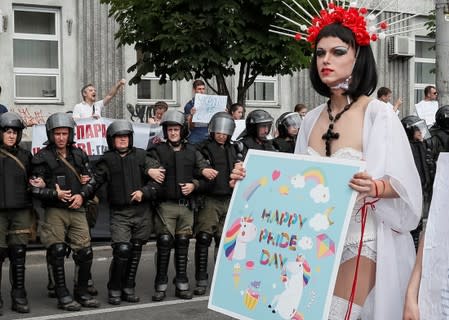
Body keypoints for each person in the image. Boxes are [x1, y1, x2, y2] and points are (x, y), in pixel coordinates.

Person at [232, 5, 421, 319]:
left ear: (358, 56)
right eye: (320, 53)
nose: (326, 60)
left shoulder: (379, 115)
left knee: (335, 313)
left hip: (364, 237)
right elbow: (294, 185)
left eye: (337, 51)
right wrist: (250, 180)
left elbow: (407, 187)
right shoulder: (311, 120)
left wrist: (374, 186)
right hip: (314, 240)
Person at [81, 120, 160, 305]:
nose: (123, 140)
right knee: (122, 249)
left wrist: (145, 192)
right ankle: (114, 287)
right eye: (118, 137)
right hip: (120, 213)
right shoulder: (107, 160)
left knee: (136, 249)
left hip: (142, 212)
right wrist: (81, 193)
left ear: (131, 138)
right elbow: (94, 182)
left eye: (125, 136)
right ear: (111, 140)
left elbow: (159, 179)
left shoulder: (143, 156)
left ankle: (128, 287)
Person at [30, 113, 100, 311]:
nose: (61, 137)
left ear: (70, 134)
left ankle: (82, 291)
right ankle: (62, 294)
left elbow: (93, 180)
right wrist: (54, 193)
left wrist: (82, 196)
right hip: (54, 210)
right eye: (57, 133)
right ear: (51, 134)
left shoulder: (79, 154)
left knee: (85, 251)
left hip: (77, 209)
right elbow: (34, 188)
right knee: (57, 251)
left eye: (65, 133)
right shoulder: (41, 157)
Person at [148, 110, 213, 301]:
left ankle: (182, 283)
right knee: (164, 242)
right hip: (165, 205)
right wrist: (150, 169)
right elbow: (144, 162)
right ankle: (160, 284)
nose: (173, 133)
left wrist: (195, 185)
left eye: (176, 129)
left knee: (183, 243)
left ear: (182, 130)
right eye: (169, 129)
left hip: (186, 206)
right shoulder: (157, 150)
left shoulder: (193, 151)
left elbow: (206, 175)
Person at [0, 112, 44, 314]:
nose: (11, 135)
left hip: (21, 211)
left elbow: (38, 173)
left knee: (19, 255)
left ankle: (19, 296)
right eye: (7, 132)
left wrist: (40, 180)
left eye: (15, 132)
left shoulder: (26, 156)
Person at [193, 112, 237, 296]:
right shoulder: (202, 147)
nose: (221, 135)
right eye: (218, 131)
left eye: (225, 132)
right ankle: (201, 280)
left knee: (224, 240)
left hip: (229, 198)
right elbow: (194, 165)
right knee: (204, 238)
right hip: (210, 199)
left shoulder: (234, 148)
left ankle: (222, 278)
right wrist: (202, 170)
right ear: (212, 130)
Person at [401, 115, 434, 249]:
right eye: (417, 130)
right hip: (411, 190)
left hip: (421, 188)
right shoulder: (406, 148)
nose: (421, 133)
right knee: (412, 222)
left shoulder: (421, 144)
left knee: (418, 221)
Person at [184, 79, 208, 144]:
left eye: (203, 89)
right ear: (194, 90)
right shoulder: (189, 105)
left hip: (208, 136)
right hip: (195, 137)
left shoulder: (209, 103)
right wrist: (192, 115)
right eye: (199, 89)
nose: (202, 91)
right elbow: (190, 127)